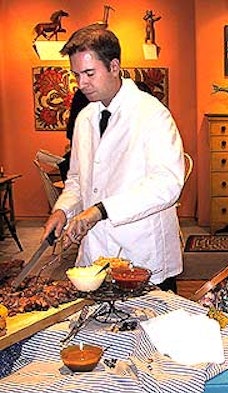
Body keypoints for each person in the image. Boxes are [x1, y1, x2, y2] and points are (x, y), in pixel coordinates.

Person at [42, 26, 185, 292]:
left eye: (89, 73)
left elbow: (167, 184)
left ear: (114, 66)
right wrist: (63, 210)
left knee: (151, 329)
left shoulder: (153, 114)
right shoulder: (85, 118)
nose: (81, 83)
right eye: (76, 75)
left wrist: (101, 210)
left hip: (144, 252)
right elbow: (76, 180)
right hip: (96, 254)